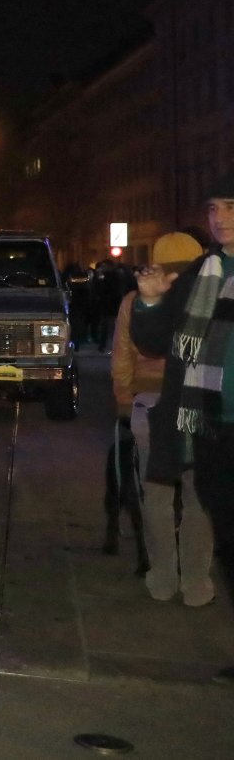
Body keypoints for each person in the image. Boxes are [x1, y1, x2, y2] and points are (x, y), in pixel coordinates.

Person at [134, 175, 234, 684]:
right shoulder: (201, 272)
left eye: (230, 207)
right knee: (224, 536)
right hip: (208, 424)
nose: (220, 218)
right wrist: (151, 301)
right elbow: (155, 343)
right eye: (214, 208)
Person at [112, 232, 214, 604]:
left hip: (148, 401)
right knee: (198, 494)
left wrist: (124, 400)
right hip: (198, 401)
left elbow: (122, 355)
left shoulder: (136, 301)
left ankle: (162, 578)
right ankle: (196, 584)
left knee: (156, 493)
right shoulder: (206, 297)